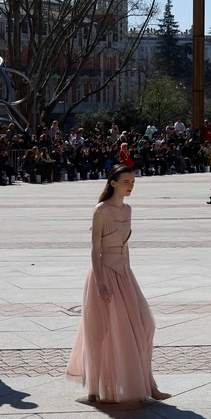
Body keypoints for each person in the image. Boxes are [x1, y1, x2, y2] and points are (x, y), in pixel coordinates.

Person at [66, 165, 171, 405]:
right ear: (113, 182)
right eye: (126, 181)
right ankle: (97, 389)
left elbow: (125, 246)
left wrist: (129, 275)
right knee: (103, 332)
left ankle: (149, 385)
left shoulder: (128, 209)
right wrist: (101, 281)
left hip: (124, 273)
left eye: (133, 181)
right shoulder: (100, 210)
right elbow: (95, 248)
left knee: (145, 325)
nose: (131, 185)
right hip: (103, 274)